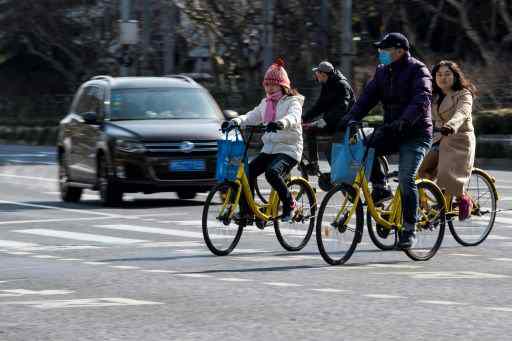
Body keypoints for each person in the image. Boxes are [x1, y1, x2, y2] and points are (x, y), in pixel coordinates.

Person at [338, 32, 433, 248]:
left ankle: (410, 228)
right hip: (393, 129)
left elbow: (422, 99)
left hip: (416, 133)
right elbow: (366, 99)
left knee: (406, 177)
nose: (380, 53)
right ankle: (381, 187)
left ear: (400, 51)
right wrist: (350, 117)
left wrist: (405, 121)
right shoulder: (383, 72)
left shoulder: (418, 70)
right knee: (364, 145)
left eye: (384, 50)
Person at [226, 58, 304, 223]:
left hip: (289, 149)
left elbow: (294, 117)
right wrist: (236, 121)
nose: (269, 88)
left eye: (273, 85)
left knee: (272, 173)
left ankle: (290, 204)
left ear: (282, 86)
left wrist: (281, 123)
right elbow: (252, 116)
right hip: (269, 149)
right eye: (267, 85)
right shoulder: (265, 103)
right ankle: (247, 212)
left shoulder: (292, 102)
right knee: (247, 173)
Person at [418, 60, 477, 220]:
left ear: (455, 76)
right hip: (439, 139)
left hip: (459, 140)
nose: (442, 78)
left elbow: (462, 113)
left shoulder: (464, 94)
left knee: (446, 174)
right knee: (421, 172)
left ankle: (462, 197)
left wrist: (451, 125)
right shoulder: (434, 96)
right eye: (439, 74)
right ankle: (434, 203)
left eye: (447, 74)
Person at [302, 61, 355, 173]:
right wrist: (304, 118)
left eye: (317, 72)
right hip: (333, 122)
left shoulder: (342, 85)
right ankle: (314, 164)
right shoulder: (326, 84)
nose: (315, 74)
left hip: (344, 125)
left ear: (324, 74)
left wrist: (324, 121)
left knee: (329, 150)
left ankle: (340, 175)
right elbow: (320, 106)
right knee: (310, 130)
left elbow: (342, 108)